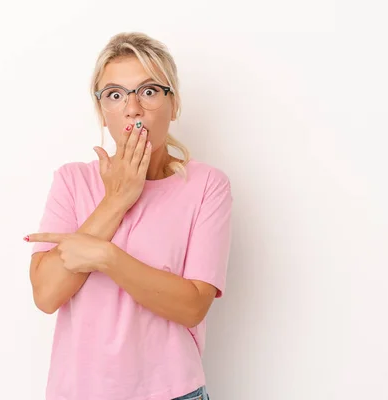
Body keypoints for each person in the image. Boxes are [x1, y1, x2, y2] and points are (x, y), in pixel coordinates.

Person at [24, 32, 232, 400]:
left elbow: (192, 305)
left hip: (173, 392)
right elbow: (46, 294)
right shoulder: (73, 181)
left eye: (149, 91)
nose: (133, 107)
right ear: (104, 112)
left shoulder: (206, 186)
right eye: (115, 95)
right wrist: (117, 200)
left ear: (175, 103)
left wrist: (104, 256)